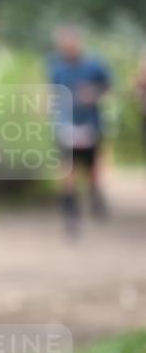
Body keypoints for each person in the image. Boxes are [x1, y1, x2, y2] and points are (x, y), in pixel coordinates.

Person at [48, 25, 111, 236]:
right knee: (68, 169)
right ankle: (70, 212)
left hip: (90, 124)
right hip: (65, 125)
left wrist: (93, 93)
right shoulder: (56, 66)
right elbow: (52, 91)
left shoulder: (94, 65)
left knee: (91, 167)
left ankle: (94, 196)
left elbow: (107, 86)